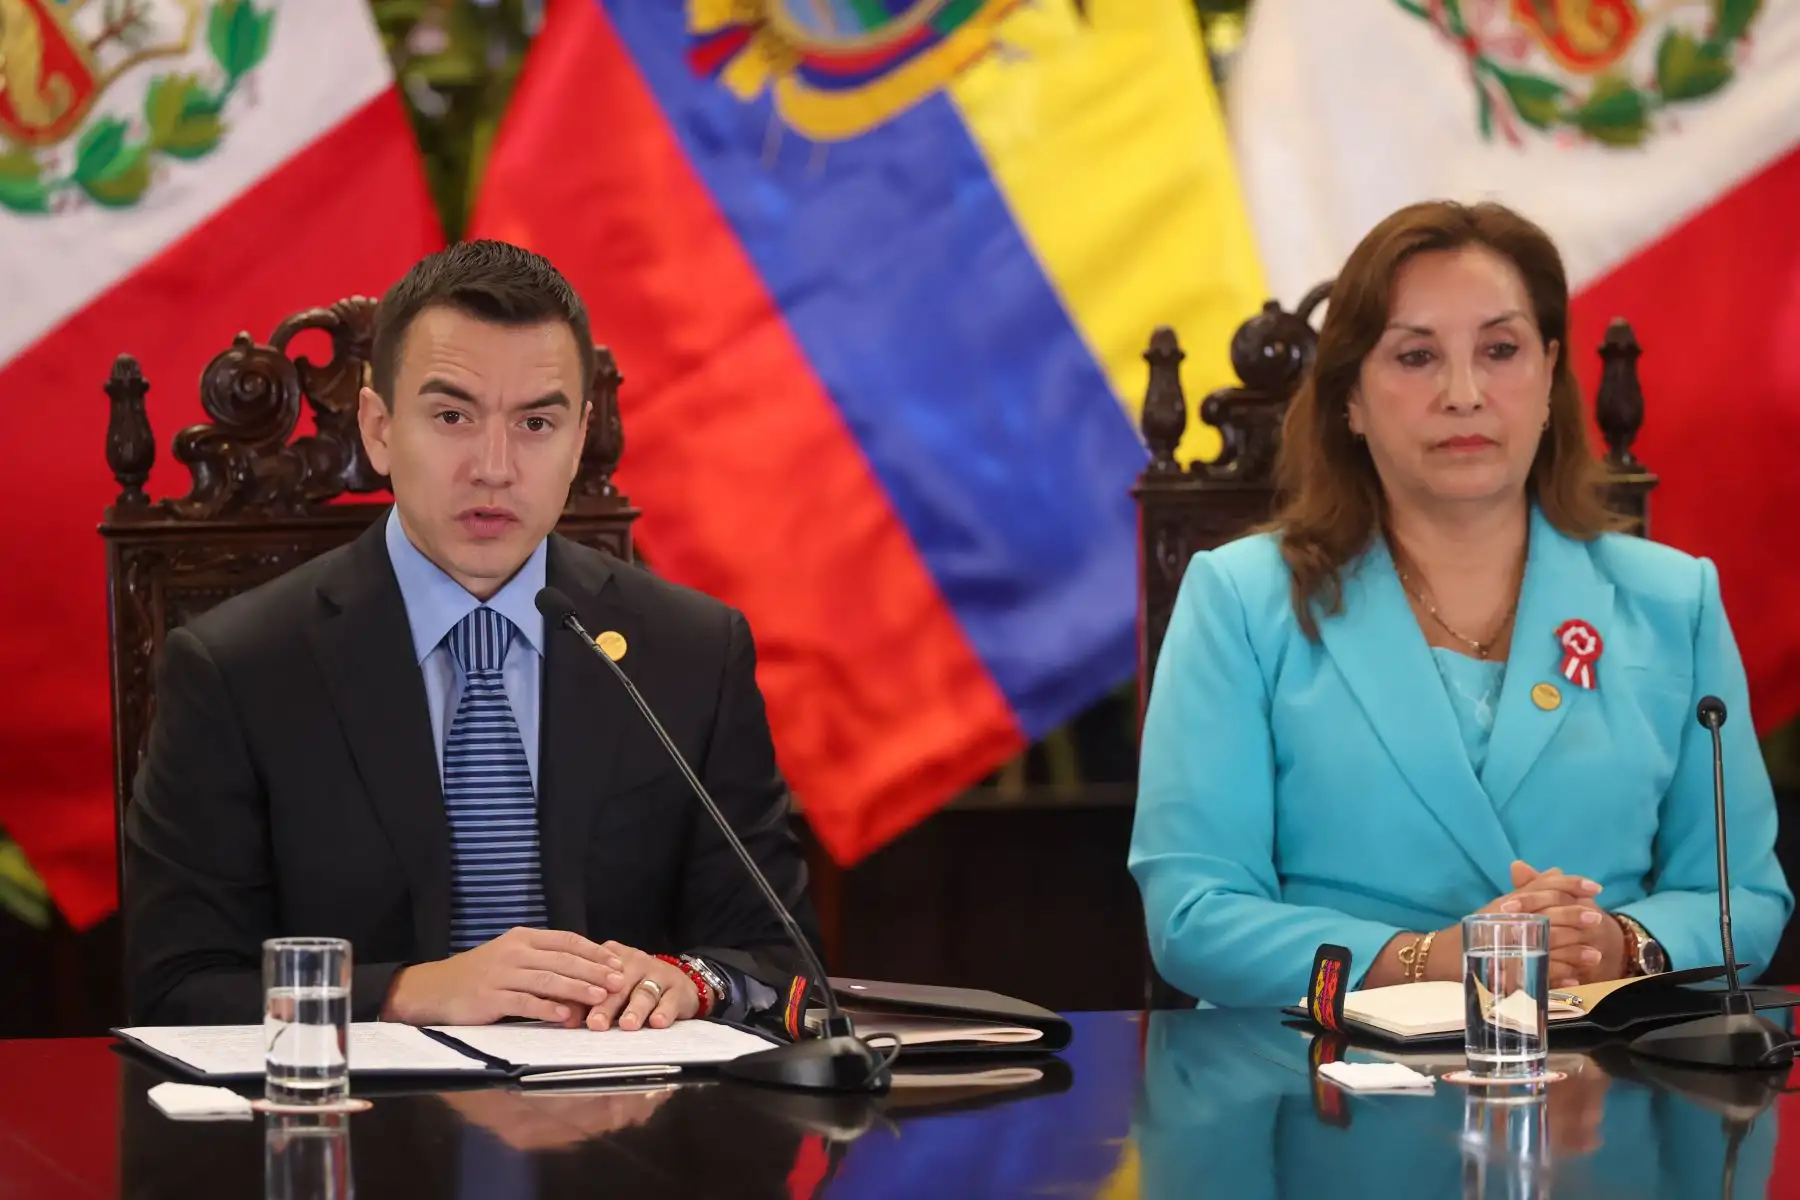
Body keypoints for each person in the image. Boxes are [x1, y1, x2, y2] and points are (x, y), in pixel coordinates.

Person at [125, 240, 818, 1030]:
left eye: (536, 422)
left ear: (579, 438)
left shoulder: (691, 653)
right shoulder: (240, 668)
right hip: (362, 1132)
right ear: (380, 428)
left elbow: (780, 956)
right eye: (452, 416)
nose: (494, 467)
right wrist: (406, 992)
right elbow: (175, 986)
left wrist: (691, 982)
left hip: (619, 1124)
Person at [1128, 200, 1792, 1008]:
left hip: (1606, 1083)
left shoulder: (1672, 601)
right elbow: (1193, 918)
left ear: (1549, 376)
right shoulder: (1240, 600)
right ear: (1352, 402)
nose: (1465, 393)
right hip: (1315, 1091)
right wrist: (1431, 960)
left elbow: (1743, 901)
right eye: (1415, 357)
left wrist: (1617, 943)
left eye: (1501, 349)